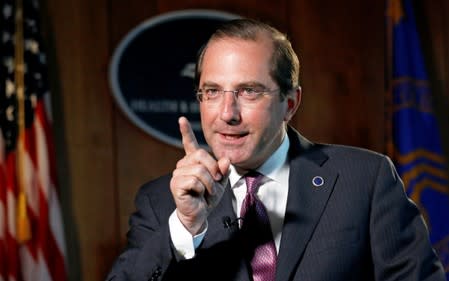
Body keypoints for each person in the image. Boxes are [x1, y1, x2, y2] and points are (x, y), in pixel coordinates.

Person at [106, 18, 446, 281]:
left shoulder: (364, 180)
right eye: (212, 92)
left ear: (289, 103)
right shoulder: (162, 203)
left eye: (249, 91)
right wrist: (185, 227)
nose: (227, 113)